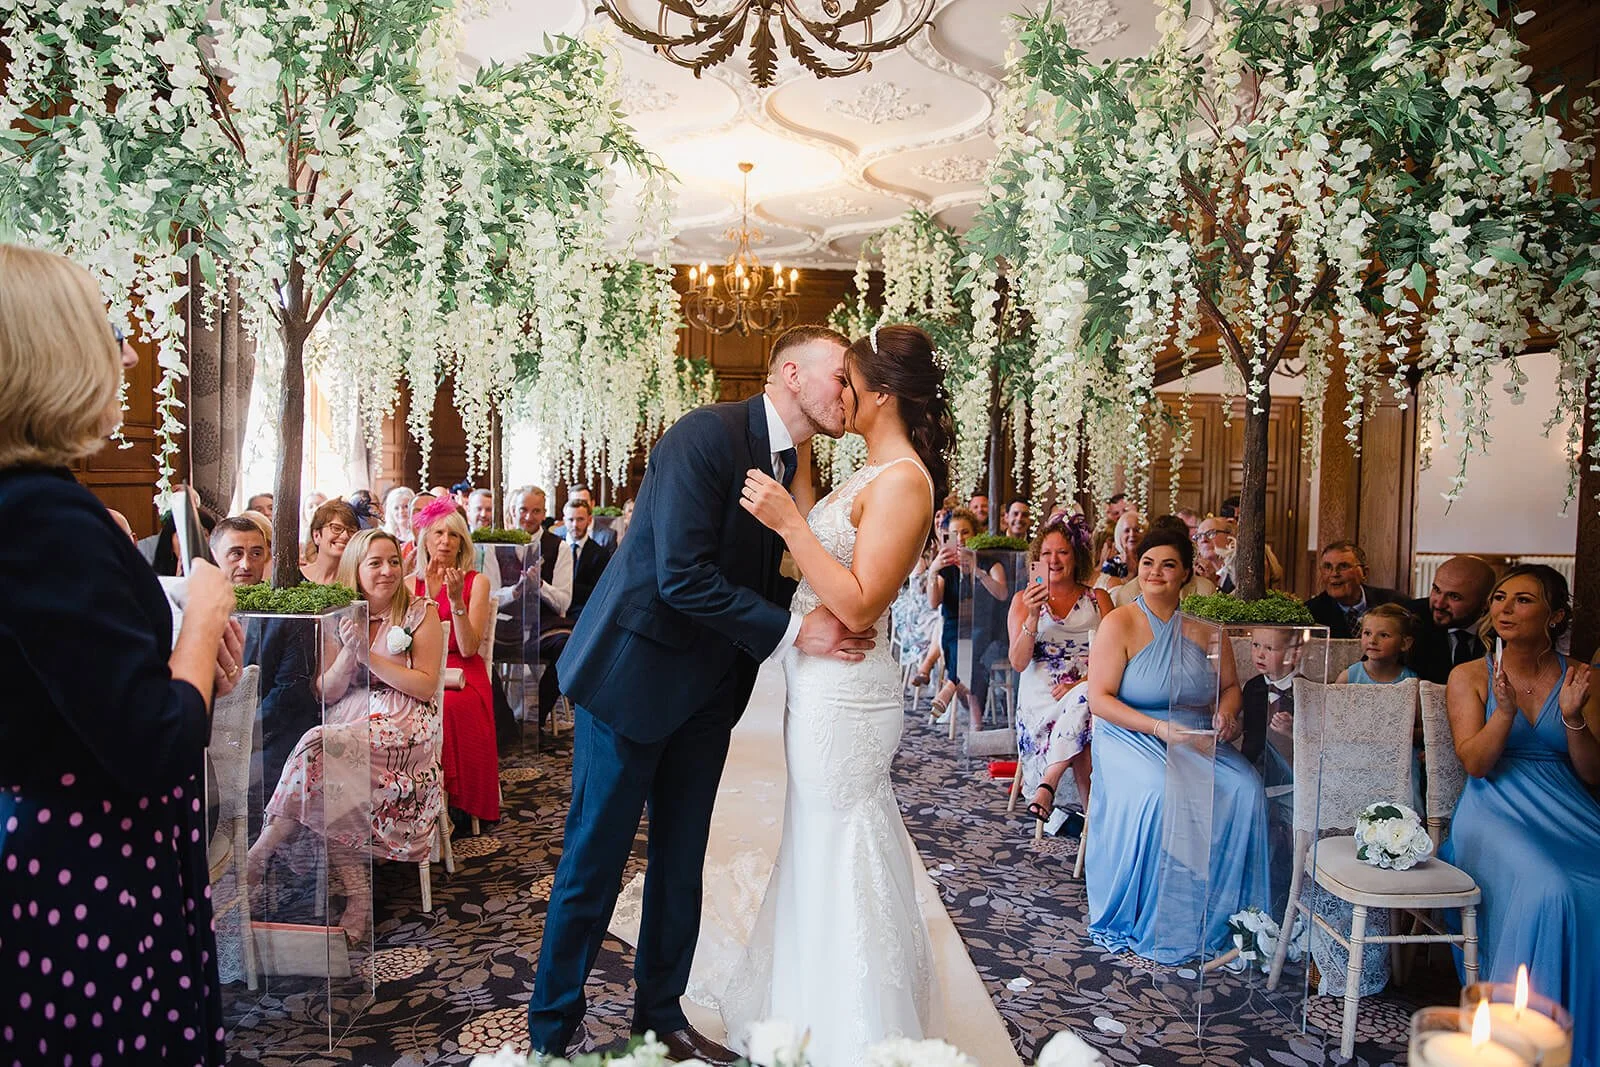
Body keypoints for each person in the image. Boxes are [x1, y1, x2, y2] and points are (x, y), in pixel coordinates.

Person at [527, 324, 870, 1065]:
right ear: (791, 373)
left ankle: (659, 1020)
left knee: (681, 866)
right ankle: (551, 1035)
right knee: (593, 864)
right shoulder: (705, 435)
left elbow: (763, 571)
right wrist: (796, 632)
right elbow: (681, 576)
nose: (849, 391)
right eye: (840, 375)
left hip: (708, 693)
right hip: (632, 681)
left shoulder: (790, 461)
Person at [0, 242, 243, 1063]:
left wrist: (193, 667)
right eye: (109, 335)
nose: (131, 356)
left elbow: (82, 694)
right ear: (53, 355)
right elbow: (152, 742)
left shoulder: (41, 504)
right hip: (85, 877)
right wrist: (203, 615)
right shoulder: (43, 515)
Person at [730, 322, 947, 1066]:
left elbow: (858, 605)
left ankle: (855, 1032)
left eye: (848, 381)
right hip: (819, 684)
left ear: (882, 394)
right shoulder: (869, 472)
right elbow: (822, 564)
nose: (839, 393)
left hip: (849, 697)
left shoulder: (904, 482)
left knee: (842, 841)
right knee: (815, 839)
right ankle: (807, 1006)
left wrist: (792, 524)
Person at [247, 529, 445, 943]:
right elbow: (327, 691)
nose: (388, 571)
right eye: (376, 563)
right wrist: (347, 657)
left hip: (404, 725)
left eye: (394, 561)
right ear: (355, 568)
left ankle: (259, 853)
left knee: (318, 745)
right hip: (348, 719)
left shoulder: (420, 612)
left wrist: (367, 657)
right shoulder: (338, 615)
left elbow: (426, 686)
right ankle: (358, 896)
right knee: (328, 767)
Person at [1084, 525, 1270, 961]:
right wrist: (1158, 729)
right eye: (1148, 563)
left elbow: (1230, 688)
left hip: (1194, 736)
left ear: (1186, 573)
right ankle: (1155, 910)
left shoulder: (1205, 627)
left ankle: (1228, 912)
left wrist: (1226, 715)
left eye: (1168, 565)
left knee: (1246, 788)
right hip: (1130, 732)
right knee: (1161, 791)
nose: (1155, 572)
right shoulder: (1120, 622)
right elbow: (1099, 700)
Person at [1439, 565, 1599, 1067]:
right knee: (1550, 886)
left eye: (1523, 600)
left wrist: (1572, 717)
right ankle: (1525, 1043)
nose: (1505, 609)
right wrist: (1504, 713)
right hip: (1492, 808)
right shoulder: (1469, 676)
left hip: (1568, 804)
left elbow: (1593, 772)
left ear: (1555, 616)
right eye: (1499, 598)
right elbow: (1476, 764)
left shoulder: (1583, 678)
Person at [1011, 515, 1111, 821]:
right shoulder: (1022, 601)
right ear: (1037, 560)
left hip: (1091, 689)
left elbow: (1116, 656)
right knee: (1087, 719)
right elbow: (1018, 662)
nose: (1053, 560)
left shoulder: (1099, 599)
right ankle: (1092, 826)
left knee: (1086, 701)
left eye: (1062, 552)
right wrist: (1032, 617)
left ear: (1076, 556)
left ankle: (1048, 784)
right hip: (1042, 700)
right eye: (1046, 554)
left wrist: (1081, 684)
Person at [412, 497, 499, 827]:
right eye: (438, 533)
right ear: (426, 540)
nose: (445, 541)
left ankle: (455, 801)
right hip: (421, 665)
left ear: (462, 542)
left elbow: (468, 647)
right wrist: (428, 598)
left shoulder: (477, 582)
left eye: (453, 535)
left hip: (463, 669)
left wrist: (453, 599)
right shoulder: (409, 583)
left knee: (448, 707)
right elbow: (408, 640)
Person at [924, 507, 987, 727]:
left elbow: (997, 597)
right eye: (954, 534)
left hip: (982, 627)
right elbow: (934, 602)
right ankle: (975, 717)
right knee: (965, 653)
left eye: (965, 532)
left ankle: (950, 685)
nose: (960, 538)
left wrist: (975, 568)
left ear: (975, 534)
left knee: (971, 644)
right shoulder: (946, 567)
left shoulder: (984, 561)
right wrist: (933, 570)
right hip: (953, 627)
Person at [1406, 555, 1496, 684]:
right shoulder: (1410, 619)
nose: (1439, 604)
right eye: (1436, 590)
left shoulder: (1502, 628)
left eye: (1454, 597)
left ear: (1486, 603)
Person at [1305, 540, 1401, 639]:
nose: (1334, 574)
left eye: (1343, 566)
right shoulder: (1310, 613)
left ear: (1364, 573)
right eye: (1328, 567)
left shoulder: (1396, 603)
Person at [562, 498, 612, 619]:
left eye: (580, 519)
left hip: (582, 614)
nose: (575, 525)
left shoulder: (600, 554)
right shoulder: (554, 547)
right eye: (571, 520)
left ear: (589, 520)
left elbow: (598, 593)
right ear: (564, 520)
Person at [1345, 603, 1418, 684]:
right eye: (1367, 633)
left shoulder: (1412, 681)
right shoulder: (1349, 677)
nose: (1372, 641)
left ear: (1404, 643)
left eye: (1383, 635)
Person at [301, 499, 359, 584]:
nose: (345, 536)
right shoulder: (294, 578)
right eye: (336, 528)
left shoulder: (357, 583)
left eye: (352, 531)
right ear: (316, 535)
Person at [211, 514, 271, 586]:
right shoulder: (200, 591)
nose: (246, 566)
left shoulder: (277, 592)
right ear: (214, 555)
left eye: (256, 554)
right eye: (236, 554)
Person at [1095, 509, 1142, 589]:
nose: (1132, 534)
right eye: (1127, 531)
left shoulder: (1149, 559)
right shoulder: (1111, 564)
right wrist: (1130, 575)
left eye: (1136, 530)